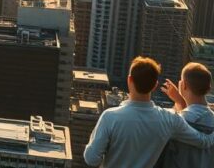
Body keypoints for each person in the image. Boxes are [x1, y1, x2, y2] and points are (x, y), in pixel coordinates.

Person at [84, 57, 214, 167]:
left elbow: (91, 159)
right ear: (155, 85)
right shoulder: (169, 119)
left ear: (129, 80)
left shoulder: (110, 117)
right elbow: (203, 141)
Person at [159, 62, 214, 167]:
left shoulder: (174, 121)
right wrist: (180, 102)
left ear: (183, 85)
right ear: (208, 88)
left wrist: (180, 102)